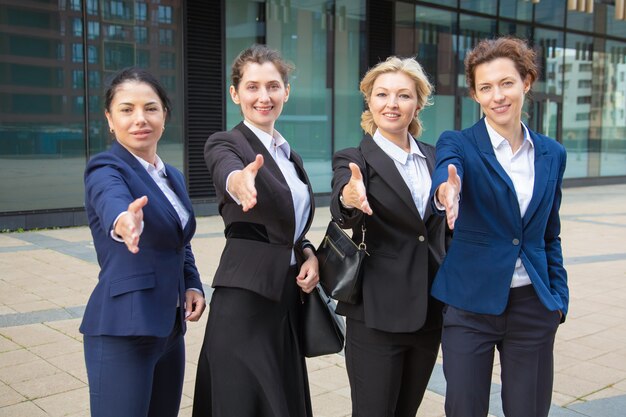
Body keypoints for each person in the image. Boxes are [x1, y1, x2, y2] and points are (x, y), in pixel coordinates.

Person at [431, 37, 568, 417]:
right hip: (469, 305)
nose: (497, 96)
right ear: (474, 94)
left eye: (506, 83)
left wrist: (558, 299)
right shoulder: (458, 142)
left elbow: (549, 233)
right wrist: (447, 190)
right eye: (485, 87)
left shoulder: (552, 153)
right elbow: (447, 170)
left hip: (532, 307)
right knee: (464, 410)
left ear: (527, 82)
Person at [192, 45, 318, 417]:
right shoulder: (226, 143)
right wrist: (238, 182)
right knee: (243, 397)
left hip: (286, 294)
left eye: (273, 86)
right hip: (246, 296)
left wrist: (308, 253)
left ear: (286, 92)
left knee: (282, 392)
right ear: (235, 94)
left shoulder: (287, 154)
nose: (263, 97)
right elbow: (225, 169)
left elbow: (289, 225)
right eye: (252, 87)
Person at [80, 67, 206, 417]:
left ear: (165, 114)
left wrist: (192, 283)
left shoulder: (172, 177)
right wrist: (124, 221)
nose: (140, 119)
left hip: (169, 329)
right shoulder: (106, 167)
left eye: (150, 108)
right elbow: (111, 200)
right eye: (126, 109)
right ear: (109, 118)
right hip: (123, 330)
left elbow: (180, 242)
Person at [330, 56, 449, 417]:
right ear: (369, 100)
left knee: (406, 411)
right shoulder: (354, 159)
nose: (392, 104)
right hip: (376, 314)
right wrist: (349, 198)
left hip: (429, 311)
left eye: (403, 95)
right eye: (382, 94)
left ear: (418, 103)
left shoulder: (434, 158)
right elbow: (343, 202)